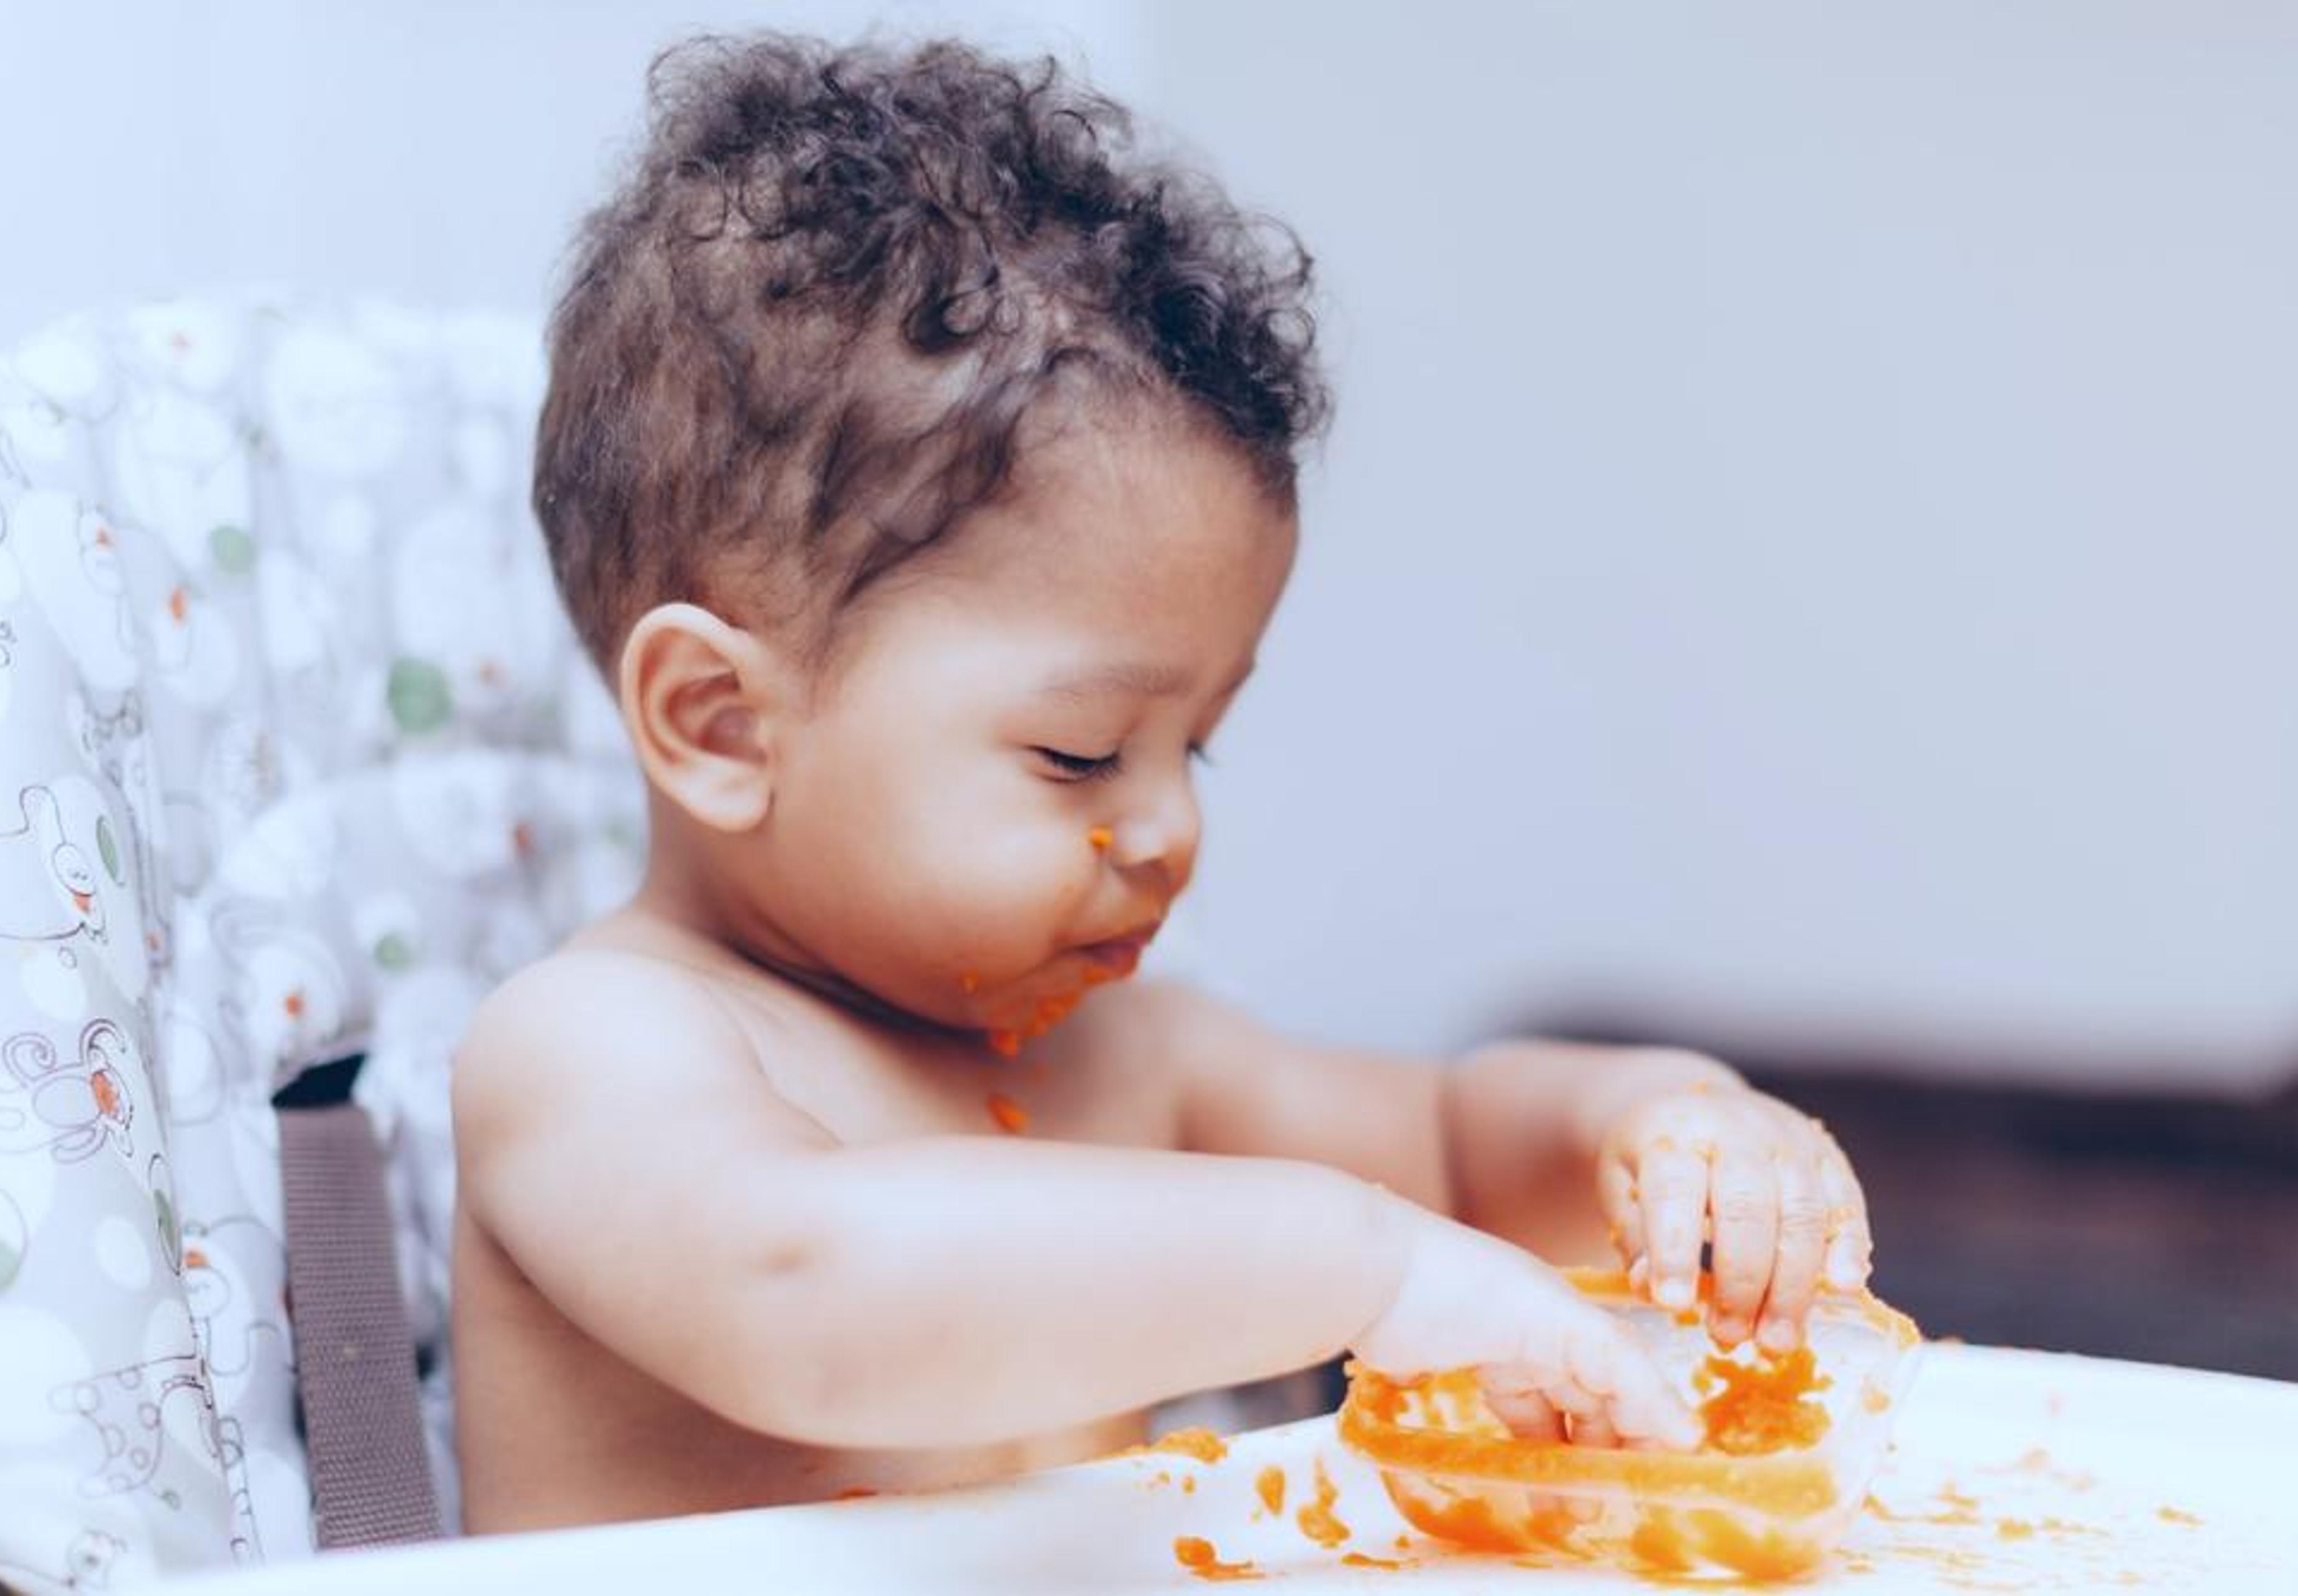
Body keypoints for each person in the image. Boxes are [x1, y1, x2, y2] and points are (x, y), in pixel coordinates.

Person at [448, 32, 1874, 1534]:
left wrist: (1661, 1127)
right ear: (724, 725)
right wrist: (1363, 1265)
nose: (1174, 829)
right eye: (1079, 753)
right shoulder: (593, 1047)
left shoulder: (1132, 1062)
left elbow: (1459, 1148)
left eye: (1194, 744)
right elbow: (804, 1290)